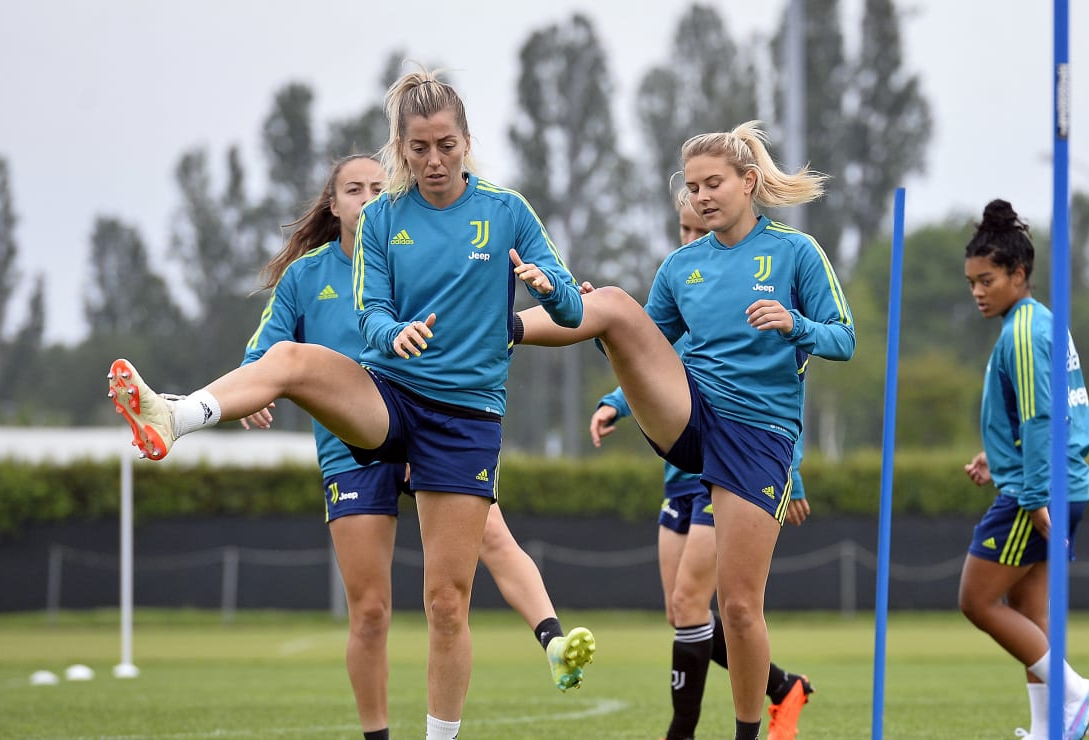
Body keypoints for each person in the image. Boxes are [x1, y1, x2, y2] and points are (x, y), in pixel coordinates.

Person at [107, 68, 590, 740]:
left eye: (445, 144)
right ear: (401, 147)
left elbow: (570, 309)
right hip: (392, 398)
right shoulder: (386, 218)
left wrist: (549, 287)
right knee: (293, 361)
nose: (433, 160)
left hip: (466, 420)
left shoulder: (506, 210)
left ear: (466, 141)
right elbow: (372, 317)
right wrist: (398, 334)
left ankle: (473, 704)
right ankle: (177, 415)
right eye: (418, 147)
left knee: (447, 604)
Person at [233, 154, 595, 738]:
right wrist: (254, 387)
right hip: (354, 443)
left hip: (427, 425)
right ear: (333, 204)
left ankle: (552, 639)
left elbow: (476, 310)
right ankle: (378, 733)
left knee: (486, 552)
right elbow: (267, 354)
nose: (369, 197)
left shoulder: (414, 242)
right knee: (371, 610)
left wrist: (539, 294)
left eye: (378, 186)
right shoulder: (307, 276)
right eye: (354, 189)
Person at [515, 121, 854, 740]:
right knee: (614, 306)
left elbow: (845, 339)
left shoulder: (796, 254)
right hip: (693, 416)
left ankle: (751, 728)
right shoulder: (680, 267)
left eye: (713, 183)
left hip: (759, 436)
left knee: (740, 609)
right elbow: (653, 346)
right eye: (692, 187)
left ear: (749, 183)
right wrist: (595, 330)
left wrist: (795, 323)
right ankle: (504, 327)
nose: (700, 196)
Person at [586, 191, 812, 740]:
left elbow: (780, 392)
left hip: (732, 471)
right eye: (683, 230)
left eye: (697, 229)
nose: (691, 239)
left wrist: (792, 475)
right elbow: (654, 363)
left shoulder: (747, 285)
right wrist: (612, 400)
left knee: (699, 603)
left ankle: (681, 733)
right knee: (683, 612)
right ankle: (783, 686)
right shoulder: (683, 286)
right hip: (679, 475)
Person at [956, 199, 1089, 740]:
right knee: (1029, 609)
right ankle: (1051, 730)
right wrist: (994, 457)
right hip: (1061, 482)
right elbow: (1037, 415)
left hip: (1041, 492)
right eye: (972, 281)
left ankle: (1076, 692)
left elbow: (1042, 418)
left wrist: (1034, 494)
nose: (977, 291)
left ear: (1020, 275)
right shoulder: (1043, 322)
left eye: (988, 279)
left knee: (975, 598)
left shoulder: (1021, 333)